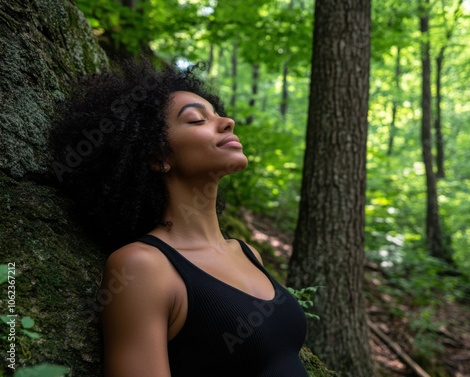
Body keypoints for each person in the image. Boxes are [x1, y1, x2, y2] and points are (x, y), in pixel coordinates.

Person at [51, 57, 308, 377]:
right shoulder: (142, 267)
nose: (227, 121)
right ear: (158, 157)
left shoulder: (247, 252)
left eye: (218, 114)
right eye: (197, 120)